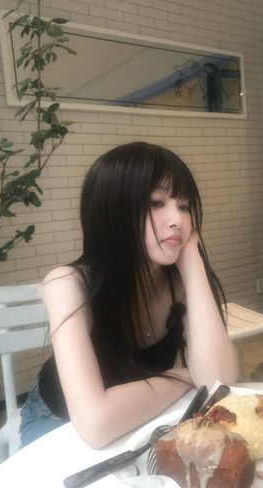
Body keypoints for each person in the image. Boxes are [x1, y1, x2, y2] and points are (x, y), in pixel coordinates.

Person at [19, 142, 238, 449]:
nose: (177, 219)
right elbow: (96, 423)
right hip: (58, 420)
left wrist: (192, 262)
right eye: (156, 203)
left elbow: (218, 383)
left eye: (184, 206)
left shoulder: (179, 281)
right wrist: (184, 376)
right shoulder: (67, 284)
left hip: (142, 414)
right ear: (112, 210)